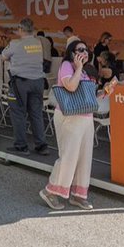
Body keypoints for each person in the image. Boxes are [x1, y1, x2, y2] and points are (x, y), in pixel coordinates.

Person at [41, 37, 102, 210]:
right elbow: (71, 87)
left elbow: (84, 95)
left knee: (84, 158)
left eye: (85, 50)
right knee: (68, 156)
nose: (84, 52)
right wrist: (80, 67)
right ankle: (51, 191)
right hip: (70, 117)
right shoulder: (67, 66)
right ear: (72, 53)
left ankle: (78, 193)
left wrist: (103, 94)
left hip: (86, 118)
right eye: (80, 50)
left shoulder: (83, 71)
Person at [1, 18, 49, 155]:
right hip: (38, 82)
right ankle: (41, 146)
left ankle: (21, 146)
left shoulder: (15, 43)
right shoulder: (38, 43)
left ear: (20, 29)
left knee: (18, 114)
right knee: (36, 114)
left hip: (20, 83)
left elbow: (3, 56)